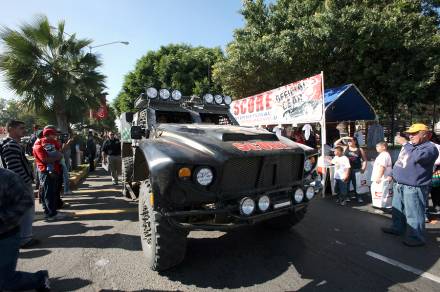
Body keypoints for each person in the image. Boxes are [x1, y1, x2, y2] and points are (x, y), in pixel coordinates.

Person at [382, 123, 439, 247]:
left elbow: (415, 158)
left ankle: (416, 237)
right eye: (409, 134)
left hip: (414, 186)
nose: (410, 136)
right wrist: (392, 173)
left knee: (414, 213)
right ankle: (398, 228)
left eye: (414, 133)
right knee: (398, 210)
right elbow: (400, 161)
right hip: (400, 183)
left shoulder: (430, 148)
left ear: (426, 135)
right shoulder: (410, 146)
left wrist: (405, 144)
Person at [0, 168, 50, 291]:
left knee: (4, 281)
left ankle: (40, 279)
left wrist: (2, 218)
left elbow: (25, 201)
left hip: (6, 235)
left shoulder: (7, 177)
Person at [0, 120, 38, 248]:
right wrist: (24, 184)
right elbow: (14, 168)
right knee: (27, 210)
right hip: (19, 184)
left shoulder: (8, 143)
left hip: (14, 184)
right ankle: (25, 239)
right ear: (11, 129)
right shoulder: (11, 145)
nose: (24, 130)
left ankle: (22, 236)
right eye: (21, 128)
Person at [33, 127, 67, 221]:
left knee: (48, 192)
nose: (55, 136)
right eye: (54, 134)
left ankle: (49, 212)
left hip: (50, 171)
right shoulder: (40, 144)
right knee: (49, 193)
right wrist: (58, 157)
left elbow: (58, 152)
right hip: (46, 172)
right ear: (48, 135)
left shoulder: (50, 143)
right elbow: (45, 159)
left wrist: (59, 155)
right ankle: (51, 213)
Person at [335, 136, 367, 203]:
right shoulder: (346, 147)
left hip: (356, 169)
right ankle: (347, 197)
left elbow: (364, 160)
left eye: (350, 141)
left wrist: (363, 168)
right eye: (348, 141)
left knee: (357, 184)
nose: (349, 142)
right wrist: (343, 138)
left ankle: (358, 197)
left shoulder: (359, 149)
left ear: (355, 141)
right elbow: (335, 144)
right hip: (346, 169)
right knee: (346, 183)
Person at [370, 141, 393, 209]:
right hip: (382, 177)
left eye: (378, 146)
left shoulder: (384, 155)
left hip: (382, 178)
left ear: (383, 147)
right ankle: (380, 205)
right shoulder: (383, 155)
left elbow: (382, 167)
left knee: (381, 192)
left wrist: (378, 177)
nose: (376, 148)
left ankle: (383, 206)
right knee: (381, 192)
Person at [430, 133, 440, 214]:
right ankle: (437, 206)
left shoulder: (434, 146)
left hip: (435, 170)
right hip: (437, 170)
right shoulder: (437, 145)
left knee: (434, 188)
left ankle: (436, 206)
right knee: (435, 189)